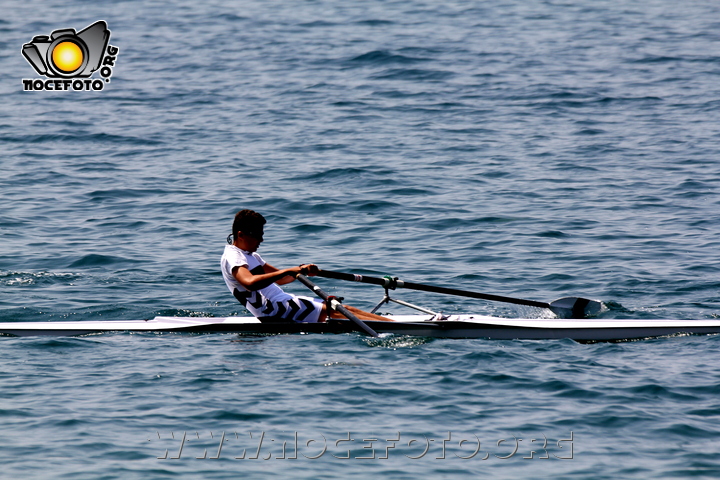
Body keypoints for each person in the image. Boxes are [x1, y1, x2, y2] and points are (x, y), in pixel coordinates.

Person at [221, 209, 393, 323]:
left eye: (262, 234)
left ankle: (394, 324)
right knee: (338, 311)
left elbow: (282, 279)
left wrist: (302, 270)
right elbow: (250, 282)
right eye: (257, 235)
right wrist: (289, 270)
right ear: (241, 235)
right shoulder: (233, 257)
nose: (261, 240)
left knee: (341, 308)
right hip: (273, 310)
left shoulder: (251, 255)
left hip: (282, 303)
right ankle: (397, 327)